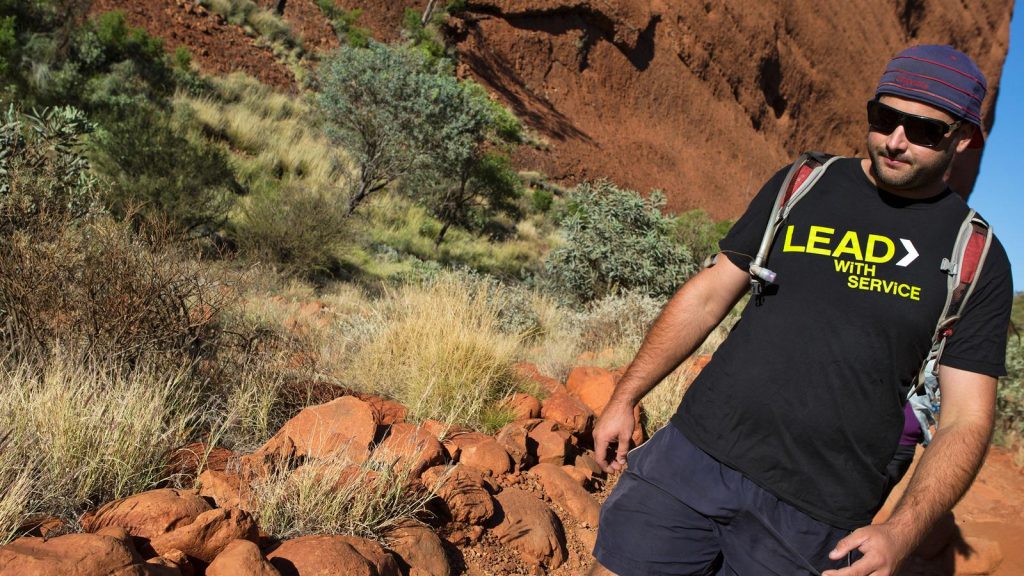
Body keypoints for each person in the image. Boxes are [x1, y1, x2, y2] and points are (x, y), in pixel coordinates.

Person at [589, 44, 1012, 576]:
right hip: (694, 456)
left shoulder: (976, 254)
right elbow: (709, 293)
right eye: (884, 118)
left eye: (924, 130)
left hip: (815, 515)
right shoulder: (805, 183)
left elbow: (966, 418)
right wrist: (625, 396)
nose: (895, 141)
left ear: (963, 137)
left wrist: (901, 532)